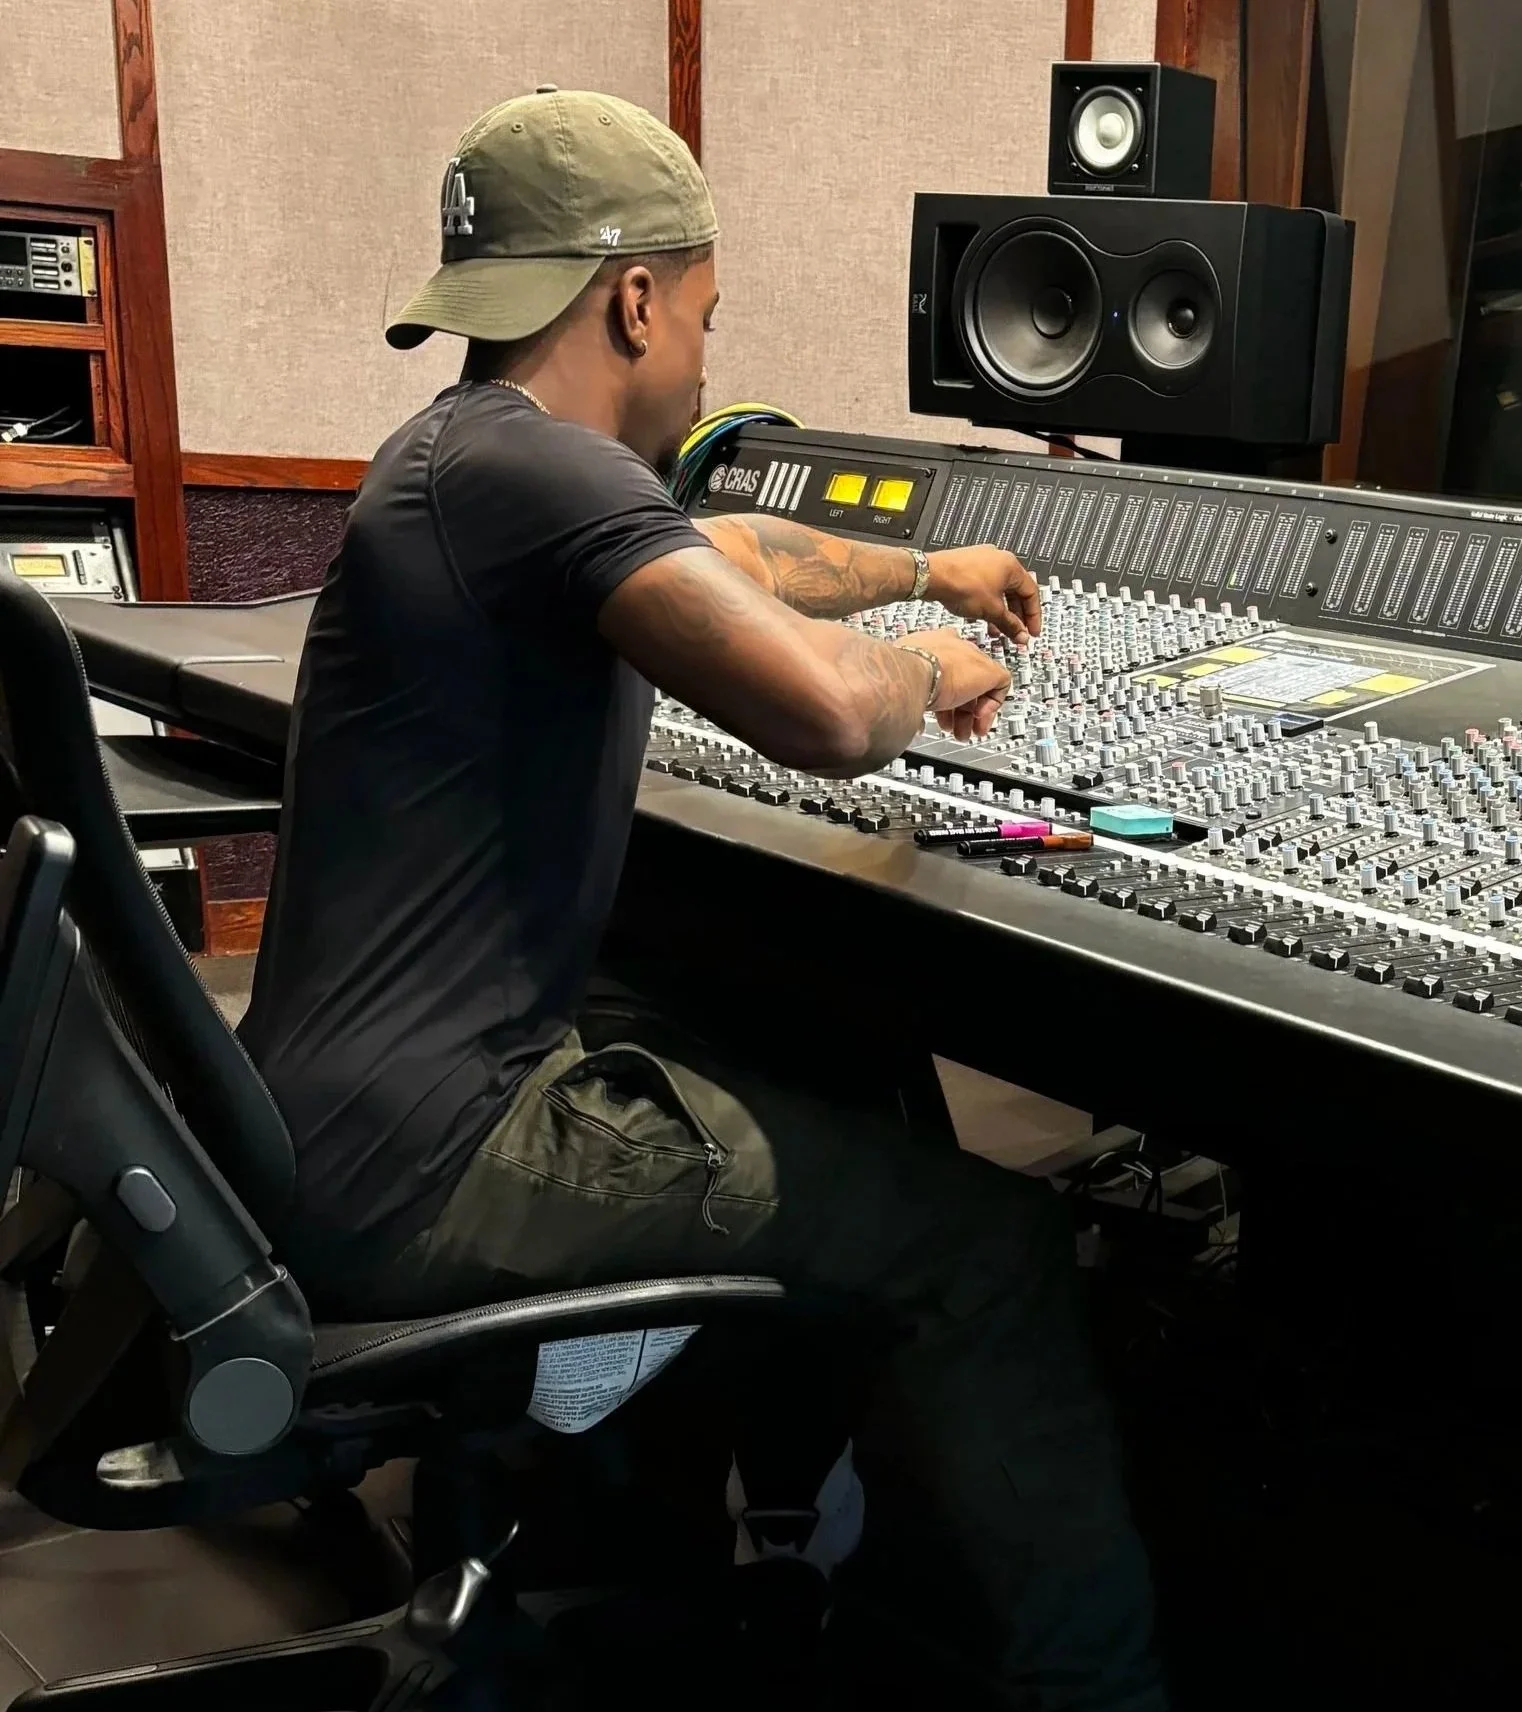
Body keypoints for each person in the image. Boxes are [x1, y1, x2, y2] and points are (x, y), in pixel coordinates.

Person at [236, 87, 1162, 1711]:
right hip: (439, 1160)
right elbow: (821, 712)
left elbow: (715, 547)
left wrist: (921, 567)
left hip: (329, 1120)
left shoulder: (465, 456)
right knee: (990, 1244)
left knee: (769, 1058)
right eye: (708, 316)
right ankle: (1093, 1694)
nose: (707, 359)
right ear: (636, 296)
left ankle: (604, 1538)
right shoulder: (531, 469)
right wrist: (938, 663)